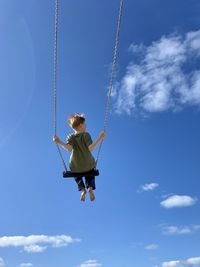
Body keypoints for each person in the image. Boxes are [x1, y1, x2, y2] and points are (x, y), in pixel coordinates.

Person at [53, 113, 106, 202]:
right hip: (88, 164)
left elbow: (69, 149)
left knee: (76, 174)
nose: (86, 126)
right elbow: (91, 148)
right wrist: (100, 138)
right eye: (85, 124)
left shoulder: (71, 137)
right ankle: (90, 187)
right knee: (91, 172)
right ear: (81, 125)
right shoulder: (86, 135)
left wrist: (59, 142)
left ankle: (82, 189)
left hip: (75, 166)